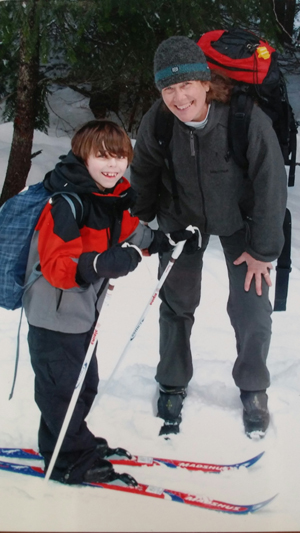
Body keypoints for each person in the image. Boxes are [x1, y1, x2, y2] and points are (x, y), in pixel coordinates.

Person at [130, 36, 287, 439]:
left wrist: (263, 249)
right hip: (182, 218)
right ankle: (172, 381)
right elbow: (144, 170)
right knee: (176, 303)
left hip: (241, 218)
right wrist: (143, 227)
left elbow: (271, 184)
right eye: (168, 89)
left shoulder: (244, 118)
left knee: (252, 307)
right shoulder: (159, 120)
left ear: (205, 83)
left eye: (186, 86)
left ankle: (253, 388)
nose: (179, 98)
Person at [22, 119, 176, 485]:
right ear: (83, 157)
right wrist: (101, 263)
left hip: (82, 312)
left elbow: (129, 230)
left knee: (82, 385)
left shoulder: (108, 197)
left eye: (120, 156)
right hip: (54, 314)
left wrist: (162, 240)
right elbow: (57, 266)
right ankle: (69, 461)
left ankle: (70, 440)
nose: (113, 164)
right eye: (103, 156)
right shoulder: (66, 203)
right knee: (61, 389)